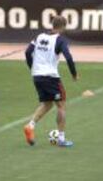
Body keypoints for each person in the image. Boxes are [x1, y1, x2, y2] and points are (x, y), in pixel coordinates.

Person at [23, 16, 78, 147]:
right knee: (61, 105)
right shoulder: (60, 40)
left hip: (37, 76)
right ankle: (61, 139)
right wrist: (74, 74)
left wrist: (33, 68)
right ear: (63, 27)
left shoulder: (39, 36)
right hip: (51, 77)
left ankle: (30, 126)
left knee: (47, 103)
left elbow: (27, 52)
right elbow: (68, 57)